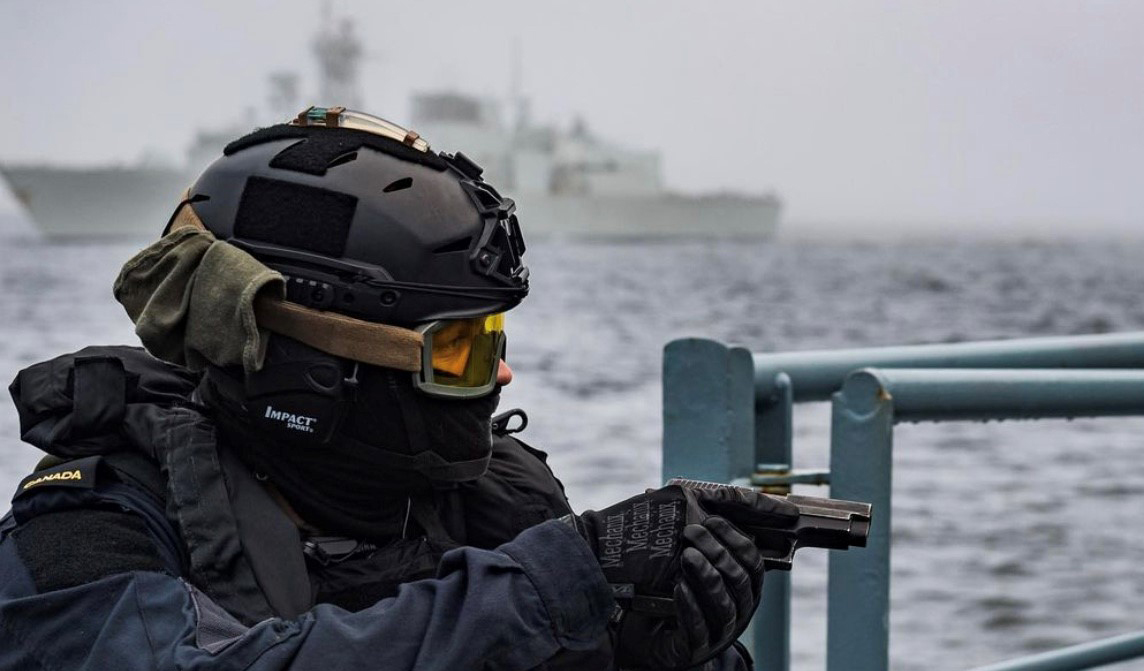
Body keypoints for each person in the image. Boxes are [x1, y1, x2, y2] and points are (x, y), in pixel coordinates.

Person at [0, 108, 798, 670]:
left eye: (493, 342)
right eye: (461, 350)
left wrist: (644, 645)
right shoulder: (88, 527)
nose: (502, 376)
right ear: (315, 374)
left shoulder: (487, 502)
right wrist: (549, 589)